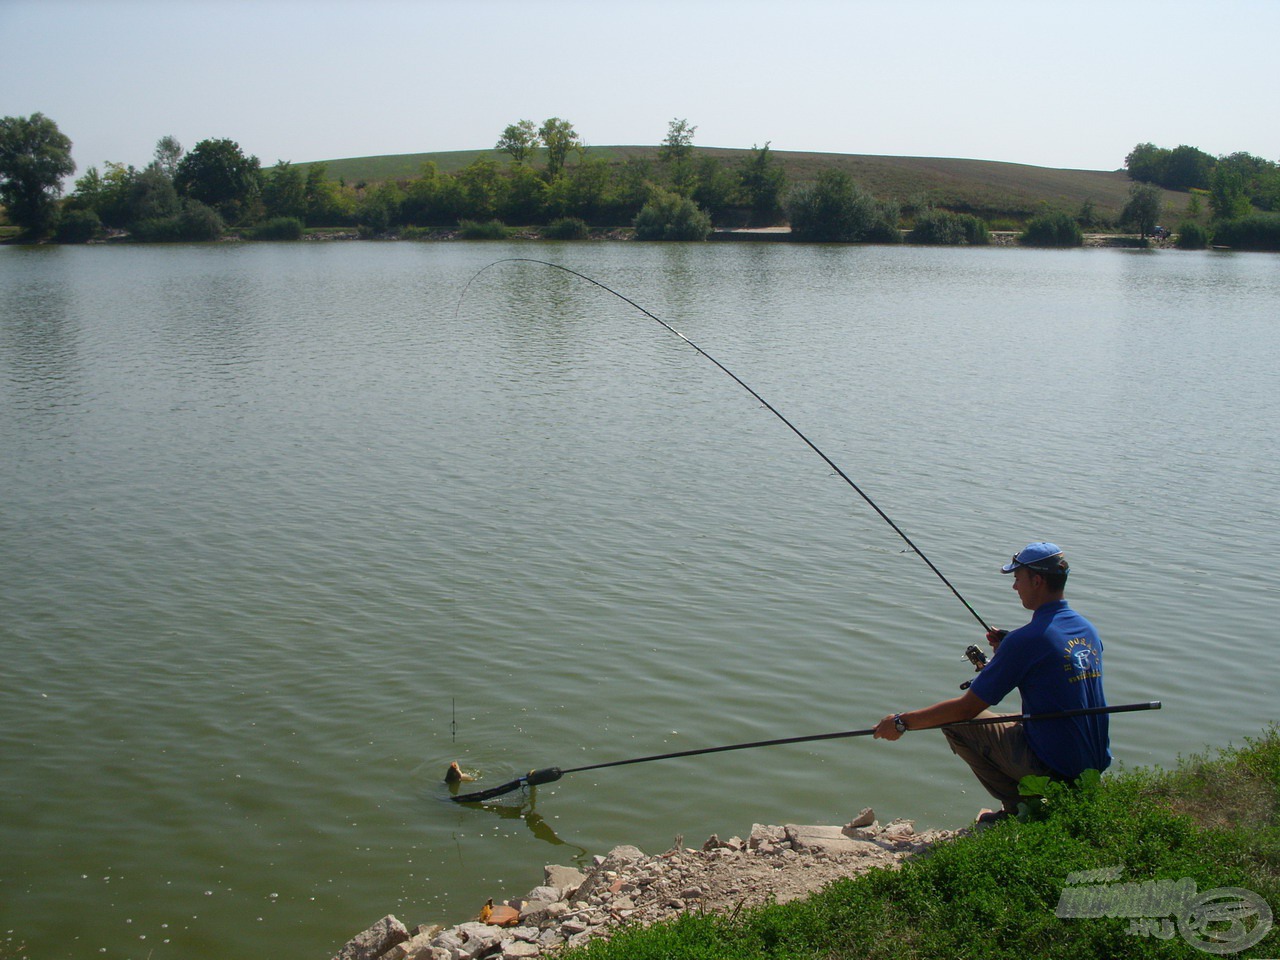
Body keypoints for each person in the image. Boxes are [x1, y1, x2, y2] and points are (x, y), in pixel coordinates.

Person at [873, 542, 1109, 822]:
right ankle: (1041, 800)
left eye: (1017, 579)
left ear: (1036, 580)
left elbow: (965, 709)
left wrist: (901, 722)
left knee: (957, 724)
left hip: (1058, 769)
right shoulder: (1086, 629)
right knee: (1000, 719)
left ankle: (1019, 810)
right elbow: (1053, 666)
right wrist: (1008, 649)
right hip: (1091, 764)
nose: (1014, 587)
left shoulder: (1027, 641)